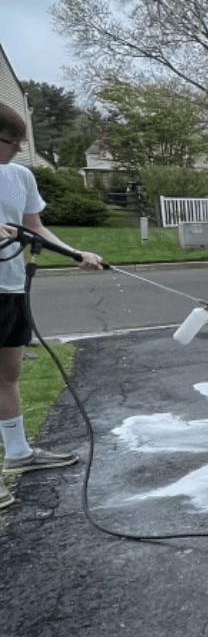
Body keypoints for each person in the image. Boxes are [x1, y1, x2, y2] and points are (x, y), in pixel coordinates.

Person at [0, 102, 102, 510]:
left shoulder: (19, 176)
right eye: (13, 142)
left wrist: (77, 253)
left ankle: (18, 451)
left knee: (8, 373)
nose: (18, 150)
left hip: (9, 288)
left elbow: (35, 227)